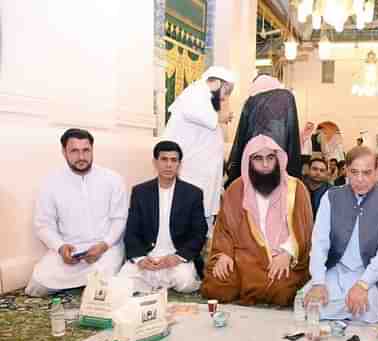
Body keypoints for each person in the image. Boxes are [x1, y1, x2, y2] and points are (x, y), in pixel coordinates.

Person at [201, 135, 313, 306]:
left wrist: (287, 253)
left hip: (279, 257)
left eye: (270, 158)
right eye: (258, 159)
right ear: (249, 161)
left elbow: (304, 229)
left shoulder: (296, 189)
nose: (266, 164)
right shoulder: (237, 189)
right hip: (244, 258)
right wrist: (224, 254)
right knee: (218, 285)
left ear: (278, 159)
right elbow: (224, 229)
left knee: (281, 290)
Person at [302, 146, 378, 323]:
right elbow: (319, 242)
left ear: (376, 171)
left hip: (370, 275)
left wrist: (363, 284)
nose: (360, 179)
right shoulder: (332, 196)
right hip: (336, 270)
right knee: (309, 304)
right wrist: (318, 282)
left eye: (367, 172)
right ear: (346, 171)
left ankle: (347, 307)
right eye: (354, 172)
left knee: (366, 309)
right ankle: (339, 306)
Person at [26, 129, 127, 297]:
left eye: (86, 150)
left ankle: (91, 287)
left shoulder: (113, 179)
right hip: (71, 250)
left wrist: (104, 245)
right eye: (74, 151)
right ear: (64, 152)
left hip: (104, 249)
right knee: (38, 284)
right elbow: (43, 225)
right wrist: (60, 247)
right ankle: (85, 286)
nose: (81, 157)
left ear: (92, 150)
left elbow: (120, 219)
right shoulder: (51, 182)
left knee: (104, 279)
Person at [118, 141, 207, 293]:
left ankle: (154, 285)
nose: (168, 165)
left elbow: (199, 233)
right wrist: (141, 259)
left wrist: (178, 257)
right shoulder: (140, 192)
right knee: (121, 284)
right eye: (164, 159)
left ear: (179, 164)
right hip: (148, 258)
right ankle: (156, 284)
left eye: (173, 160)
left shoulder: (193, 194)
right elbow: (131, 231)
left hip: (175, 260)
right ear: (155, 162)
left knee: (185, 283)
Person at [163, 66, 236, 232]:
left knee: (202, 222)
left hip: (203, 176)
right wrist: (220, 117)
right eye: (226, 91)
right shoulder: (195, 92)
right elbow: (199, 115)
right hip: (192, 175)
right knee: (189, 221)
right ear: (217, 82)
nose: (225, 97)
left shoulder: (206, 98)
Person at [227, 75, 302, 185]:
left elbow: (241, 138)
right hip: (281, 165)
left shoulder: (251, 102)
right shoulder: (288, 98)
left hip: (254, 163)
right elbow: (292, 138)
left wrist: (234, 170)